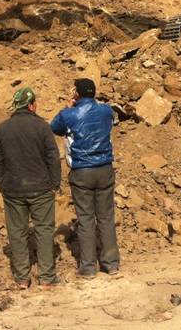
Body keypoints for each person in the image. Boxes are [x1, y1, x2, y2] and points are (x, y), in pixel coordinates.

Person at [0, 87, 61, 289]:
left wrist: (2, 184)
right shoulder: (42, 126)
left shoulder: (3, 129)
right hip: (41, 188)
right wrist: (55, 183)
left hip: (13, 189)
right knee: (44, 230)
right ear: (31, 105)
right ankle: (47, 278)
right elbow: (52, 157)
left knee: (17, 232)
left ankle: (22, 278)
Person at [51, 78, 119, 278]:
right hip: (105, 168)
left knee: (86, 219)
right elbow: (112, 118)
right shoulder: (106, 110)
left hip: (81, 170)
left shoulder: (68, 114)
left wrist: (68, 105)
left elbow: (54, 127)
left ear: (77, 93)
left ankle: (88, 267)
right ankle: (111, 264)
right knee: (106, 217)